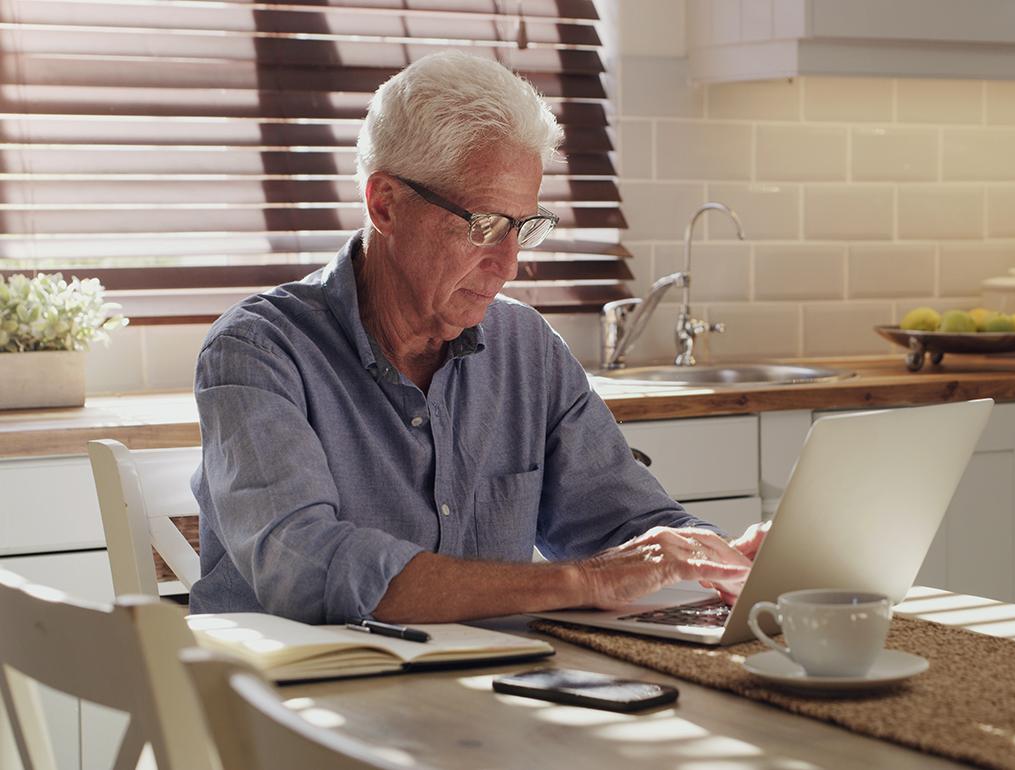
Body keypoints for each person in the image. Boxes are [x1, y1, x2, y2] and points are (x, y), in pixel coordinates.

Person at [189, 51, 767, 624]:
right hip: (293, 697)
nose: (509, 265)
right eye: (484, 225)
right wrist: (580, 581)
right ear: (384, 204)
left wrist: (717, 556)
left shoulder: (527, 349)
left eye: (523, 228)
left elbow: (622, 523)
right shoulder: (259, 351)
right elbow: (304, 567)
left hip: (484, 690)